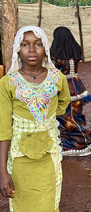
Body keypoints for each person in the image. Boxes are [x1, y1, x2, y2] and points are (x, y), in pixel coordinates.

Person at [0, 26, 70, 211]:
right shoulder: (8, 83)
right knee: (23, 203)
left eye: (37, 44)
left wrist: (47, 118)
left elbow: (64, 102)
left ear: (45, 48)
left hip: (49, 156)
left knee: (49, 202)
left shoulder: (57, 78)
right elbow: (4, 128)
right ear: (18, 49)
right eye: (25, 44)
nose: (32, 49)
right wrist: (2, 172)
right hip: (19, 160)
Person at [50, 26, 91, 164]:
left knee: (68, 120)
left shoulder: (55, 55)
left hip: (63, 89)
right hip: (77, 87)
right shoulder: (76, 50)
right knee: (75, 118)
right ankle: (68, 147)